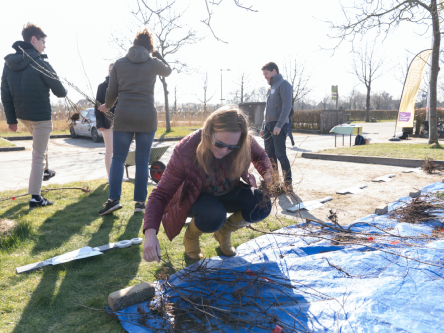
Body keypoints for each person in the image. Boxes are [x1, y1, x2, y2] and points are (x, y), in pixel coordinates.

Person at [142, 107, 274, 262]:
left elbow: (259, 155)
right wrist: (150, 234)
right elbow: (161, 194)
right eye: (219, 144)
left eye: (232, 147)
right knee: (215, 215)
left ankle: (224, 232)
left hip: (228, 191)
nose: (225, 151)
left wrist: (269, 174)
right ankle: (191, 236)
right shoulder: (185, 150)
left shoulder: (243, 141)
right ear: (208, 132)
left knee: (262, 204)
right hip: (195, 197)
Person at [98, 28, 171, 215]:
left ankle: (113, 199)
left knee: (118, 158)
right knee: (142, 160)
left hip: (124, 116)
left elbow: (112, 93)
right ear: (149, 47)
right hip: (147, 117)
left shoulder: (119, 64)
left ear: (134, 44)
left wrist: (107, 106)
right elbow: (168, 71)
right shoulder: (154, 63)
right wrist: (157, 54)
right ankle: (140, 203)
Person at [1, 23, 67, 209]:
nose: (44, 46)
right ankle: (35, 197)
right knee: (38, 155)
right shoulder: (39, 63)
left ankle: (45, 171)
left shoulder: (9, 64)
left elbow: (4, 93)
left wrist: (12, 119)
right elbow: (60, 92)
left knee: (41, 146)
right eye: (43, 42)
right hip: (40, 117)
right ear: (33, 40)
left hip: (23, 115)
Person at [259, 62, 293, 192]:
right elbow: (267, 110)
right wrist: (263, 126)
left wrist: (279, 125)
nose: (265, 77)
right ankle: (275, 184)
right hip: (268, 126)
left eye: (266, 74)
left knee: (281, 156)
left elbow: (287, 107)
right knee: (270, 157)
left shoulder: (284, 85)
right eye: (264, 75)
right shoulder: (270, 87)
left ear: (274, 71)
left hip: (278, 126)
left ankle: (288, 184)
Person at [94, 63, 117, 180]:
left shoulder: (122, 86)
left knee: (119, 151)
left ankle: (118, 176)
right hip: (107, 124)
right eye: (109, 71)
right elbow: (97, 106)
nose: (111, 73)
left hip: (120, 124)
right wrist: (99, 123)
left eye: (113, 71)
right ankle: (110, 176)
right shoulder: (102, 87)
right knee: (110, 149)